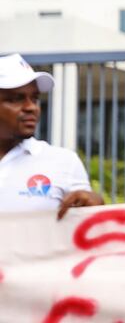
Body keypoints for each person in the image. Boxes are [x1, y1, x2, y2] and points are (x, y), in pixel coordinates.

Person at [0, 53, 103, 218]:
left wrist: (94, 203)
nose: (31, 107)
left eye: (34, 98)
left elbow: (89, 223)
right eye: (16, 99)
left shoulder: (63, 162)